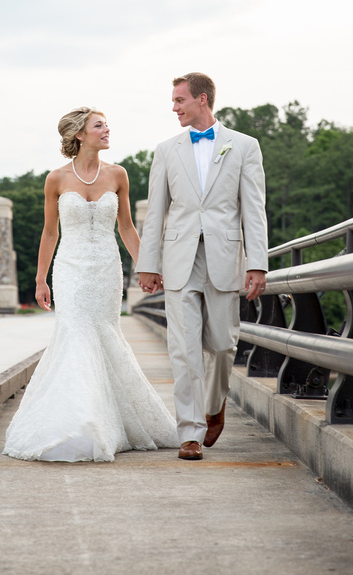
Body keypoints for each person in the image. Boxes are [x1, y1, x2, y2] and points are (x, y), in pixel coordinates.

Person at [3, 107, 178, 462]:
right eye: (99, 125)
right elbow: (50, 232)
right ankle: (77, 423)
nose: (107, 129)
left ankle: (106, 422)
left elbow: (127, 227)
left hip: (105, 268)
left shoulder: (118, 174)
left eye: (107, 124)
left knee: (103, 334)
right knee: (75, 334)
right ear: (80, 134)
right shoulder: (55, 179)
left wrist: (148, 267)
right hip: (70, 269)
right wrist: (40, 278)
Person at [136, 73, 268, 461]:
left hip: (225, 258)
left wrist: (257, 263)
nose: (174, 107)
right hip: (179, 260)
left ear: (202, 99)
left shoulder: (244, 146)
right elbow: (156, 211)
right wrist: (148, 263)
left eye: (179, 100)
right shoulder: (166, 150)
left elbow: (254, 210)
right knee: (185, 350)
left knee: (224, 346)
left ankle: (215, 405)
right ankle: (190, 433)